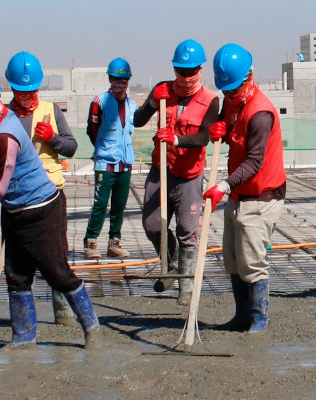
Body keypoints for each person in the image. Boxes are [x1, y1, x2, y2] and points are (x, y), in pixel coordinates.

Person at [0, 76, 102, 348]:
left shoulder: (4, 134)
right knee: (16, 276)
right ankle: (23, 338)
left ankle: (92, 328)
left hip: (41, 211)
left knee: (57, 273)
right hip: (15, 212)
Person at [205, 44, 286, 332]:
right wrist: (217, 128)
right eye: (225, 90)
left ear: (249, 77)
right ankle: (241, 316)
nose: (228, 95)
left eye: (232, 90)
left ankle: (259, 320)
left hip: (262, 197)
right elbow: (227, 128)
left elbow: (254, 162)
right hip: (240, 194)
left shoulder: (260, 113)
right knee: (234, 259)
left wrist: (223, 187)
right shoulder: (232, 100)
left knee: (252, 261)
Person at [134, 39, 221, 298]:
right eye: (181, 71)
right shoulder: (163, 91)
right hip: (162, 169)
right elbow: (138, 120)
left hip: (189, 177)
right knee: (152, 225)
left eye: (190, 71)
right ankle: (171, 265)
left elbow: (204, 137)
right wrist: (151, 102)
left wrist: (174, 139)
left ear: (200, 70)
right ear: (174, 69)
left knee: (187, 231)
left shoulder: (210, 101)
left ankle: (186, 286)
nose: (185, 77)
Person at [1, 52, 84, 323]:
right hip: (16, 201)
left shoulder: (51, 110)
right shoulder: (3, 116)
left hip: (50, 198)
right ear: (12, 87)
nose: (27, 96)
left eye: (32, 90)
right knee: (17, 265)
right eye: (21, 91)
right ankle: (24, 328)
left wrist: (54, 139)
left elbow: (72, 147)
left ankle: (63, 312)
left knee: (55, 257)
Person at [83, 58, 138, 260]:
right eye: (117, 78)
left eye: (124, 79)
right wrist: (103, 148)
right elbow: (92, 130)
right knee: (100, 203)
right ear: (110, 78)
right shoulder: (100, 102)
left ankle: (114, 242)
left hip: (125, 163)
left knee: (119, 205)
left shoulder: (132, 105)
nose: (121, 83)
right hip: (105, 163)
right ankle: (91, 241)